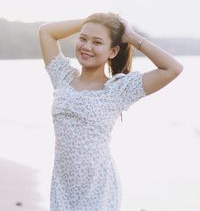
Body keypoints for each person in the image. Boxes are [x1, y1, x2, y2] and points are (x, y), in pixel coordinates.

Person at [39, 12, 183, 211]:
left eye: (97, 42)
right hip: (63, 186)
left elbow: (172, 69)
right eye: (83, 38)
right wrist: (90, 22)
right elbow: (46, 32)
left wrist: (132, 37)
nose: (87, 47)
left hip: (98, 188)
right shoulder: (63, 77)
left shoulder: (118, 89)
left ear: (113, 51)